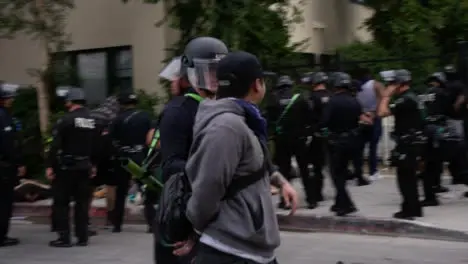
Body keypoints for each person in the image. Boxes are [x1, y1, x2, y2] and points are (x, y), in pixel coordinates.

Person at [173, 50, 297, 263]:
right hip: (230, 251)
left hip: (250, 249)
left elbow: (252, 164)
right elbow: (207, 189)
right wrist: (197, 227)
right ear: (257, 84)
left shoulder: (243, 119)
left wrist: (279, 180)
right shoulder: (226, 126)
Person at [154, 36, 229, 264]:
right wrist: (209, 173)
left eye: (219, 72)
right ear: (192, 73)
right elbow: (172, 165)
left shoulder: (225, 106)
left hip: (220, 213)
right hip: (187, 210)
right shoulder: (179, 111)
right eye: (209, 72)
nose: (214, 79)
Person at [46, 87, 98, 247]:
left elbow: (54, 146)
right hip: (84, 166)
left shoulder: (65, 120)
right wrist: (93, 164)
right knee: (82, 203)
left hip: (66, 168)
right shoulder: (92, 120)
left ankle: (64, 237)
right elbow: (97, 145)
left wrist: (50, 166)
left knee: (61, 203)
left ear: (69, 101)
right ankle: (82, 237)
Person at [377, 69, 424, 220]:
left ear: (400, 83)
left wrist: (386, 95)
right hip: (413, 141)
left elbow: (382, 112)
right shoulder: (413, 97)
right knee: (410, 177)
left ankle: (409, 210)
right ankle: (415, 208)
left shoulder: (405, 100)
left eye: (392, 83)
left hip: (408, 144)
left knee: (405, 179)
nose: (390, 86)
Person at [322, 72, 369, 216]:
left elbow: (324, 121)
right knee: (343, 172)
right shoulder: (355, 101)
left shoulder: (332, 102)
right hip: (353, 141)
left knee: (337, 175)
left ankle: (346, 205)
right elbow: (361, 118)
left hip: (338, 142)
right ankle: (339, 203)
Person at [265, 75, 314, 209]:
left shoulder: (273, 100)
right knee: (304, 170)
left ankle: (285, 201)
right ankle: (311, 199)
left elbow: (269, 121)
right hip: (299, 140)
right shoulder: (300, 98)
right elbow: (310, 118)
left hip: (282, 141)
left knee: (284, 171)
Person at [109, 92, 152, 233]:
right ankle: (151, 224)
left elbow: (111, 140)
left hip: (123, 158)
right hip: (141, 157)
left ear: (122, 104)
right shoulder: (146, 117)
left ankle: (117, 225)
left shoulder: (117, 119)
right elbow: (152, 137)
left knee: (121, 192)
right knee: (146, 189)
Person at [0, 83, 25, 247]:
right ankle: (2, 236)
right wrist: (19, 163)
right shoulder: (3, 117)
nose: (11, 100)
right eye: (8, 98)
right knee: (4, 202)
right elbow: (8, 144)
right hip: (4, 167)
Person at [301, 71, 332, 204]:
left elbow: (307, 116)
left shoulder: (312, 98)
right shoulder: (332, 96)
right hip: (331, 135)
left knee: (315, 166)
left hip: (316, 135)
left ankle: (317, 193)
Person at [354, 68, 385, 182]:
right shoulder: (376, 85)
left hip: (362, 116)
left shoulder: (357, 86)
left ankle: (359, 172)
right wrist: (375, 114)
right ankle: (373, 171)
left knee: (360, 147)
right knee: (373, 146)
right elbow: (381, 100)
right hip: (374, 117)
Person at [443, 65, 468, 185]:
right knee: (459, 146)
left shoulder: (445, 86)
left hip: (447, 119)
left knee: (452, 146)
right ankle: (460, 174)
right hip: (457, 119)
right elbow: (462, 98)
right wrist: (457, 106)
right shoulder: (460, 85)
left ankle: (456, 174)